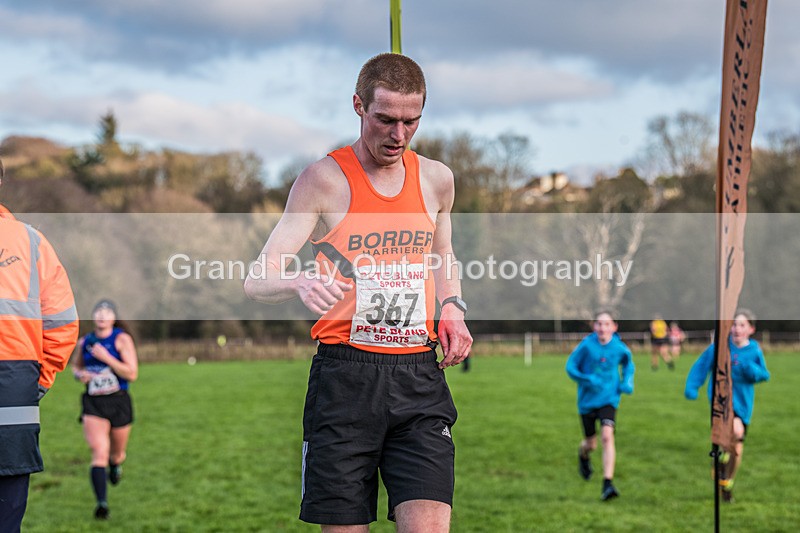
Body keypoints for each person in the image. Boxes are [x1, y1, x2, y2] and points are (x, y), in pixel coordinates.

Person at [244, 53, 472, 532]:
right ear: (358, 105)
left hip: (418, 375)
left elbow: (443, 255)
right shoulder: (322, 180)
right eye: (385, 119)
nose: (398, 135)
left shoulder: (437, 180)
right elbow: (258, 277)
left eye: (411, 121)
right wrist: (297, 279)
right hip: (345, 380)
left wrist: (452, 306)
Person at [0, 158, 79, 533]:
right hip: (16, 397)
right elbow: (63, 323)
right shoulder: (31, 242)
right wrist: (37, 381)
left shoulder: (31, 241)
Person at [684, 309, 769, 503]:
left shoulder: (754, 350)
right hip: (720, 401)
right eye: (733, 324)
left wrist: (751, 370)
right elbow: (701, 366)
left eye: (741, 325)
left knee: (737, 450)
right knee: (736, 433)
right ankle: (722, 457)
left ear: (751, 329)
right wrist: (692, 387)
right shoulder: (719, 347)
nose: (736, 329)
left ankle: (727, 480)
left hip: (743, 403)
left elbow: (764, 374)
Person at [71, 299, 138, 519]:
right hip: (93, 402)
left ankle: (115, 464)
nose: (101, 315)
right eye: (97, 311)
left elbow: (132, 373)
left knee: (116, 454)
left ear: (113, 317)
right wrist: (81, 375)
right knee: (98, 452)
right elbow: (76, 367)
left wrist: (106, 358)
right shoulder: (86, 342)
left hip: (118, 401)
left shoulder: (121, 339)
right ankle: (102, 504)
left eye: (107, 311)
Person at [566, 310, 635, 501]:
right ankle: (583, 456)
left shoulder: (620, 348)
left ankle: (607, 484)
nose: (603, 328)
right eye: (599, 324)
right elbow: (570, 367)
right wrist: (587, 379)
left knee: (607, 436)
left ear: (614, 327)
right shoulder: (586, 346)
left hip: (609, 399)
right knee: (591, 444)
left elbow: (629, 365)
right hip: (587, 402)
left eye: (607, 324)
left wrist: (627, 381)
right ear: (594, 327)